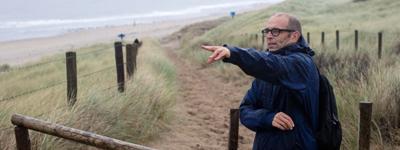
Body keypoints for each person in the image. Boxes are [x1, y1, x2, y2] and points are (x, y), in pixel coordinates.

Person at [201, 12, 319, 150]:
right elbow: (245, 111)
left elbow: (273, 65)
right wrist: (267, 118)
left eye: (276, 31)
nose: (269, 35)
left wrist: (233, 53)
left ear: (294, 35)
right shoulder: (265, 73)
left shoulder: (301, 64)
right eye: (267, 31)